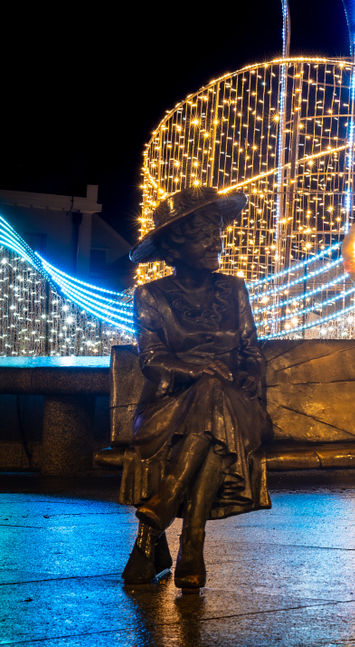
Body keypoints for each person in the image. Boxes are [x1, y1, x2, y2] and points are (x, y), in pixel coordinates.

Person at [120, 186, 271, 590]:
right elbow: (151, 361)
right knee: (210, 395)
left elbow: (252, 352)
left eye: (217, 232)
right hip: (170, 407)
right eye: (204, 234)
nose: (216, 242)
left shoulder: (234, 289)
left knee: (217, 397)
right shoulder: (151, 296)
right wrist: (199, 369)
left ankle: (166, 502)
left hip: (241, 405)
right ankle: (193, 543)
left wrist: (251, 376)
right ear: (175, 247)